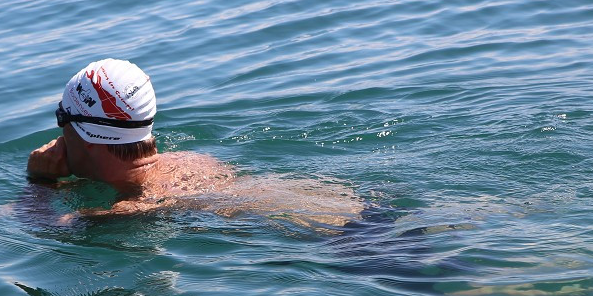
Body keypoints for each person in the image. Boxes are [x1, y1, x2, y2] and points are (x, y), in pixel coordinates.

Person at [27, 58, 364, 226]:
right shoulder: (192, 161)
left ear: (86, 138)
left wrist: (40, 183)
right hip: (363, 206)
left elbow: (37, 229)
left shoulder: (123, 210)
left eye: (61, 118)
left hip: (349, 244)